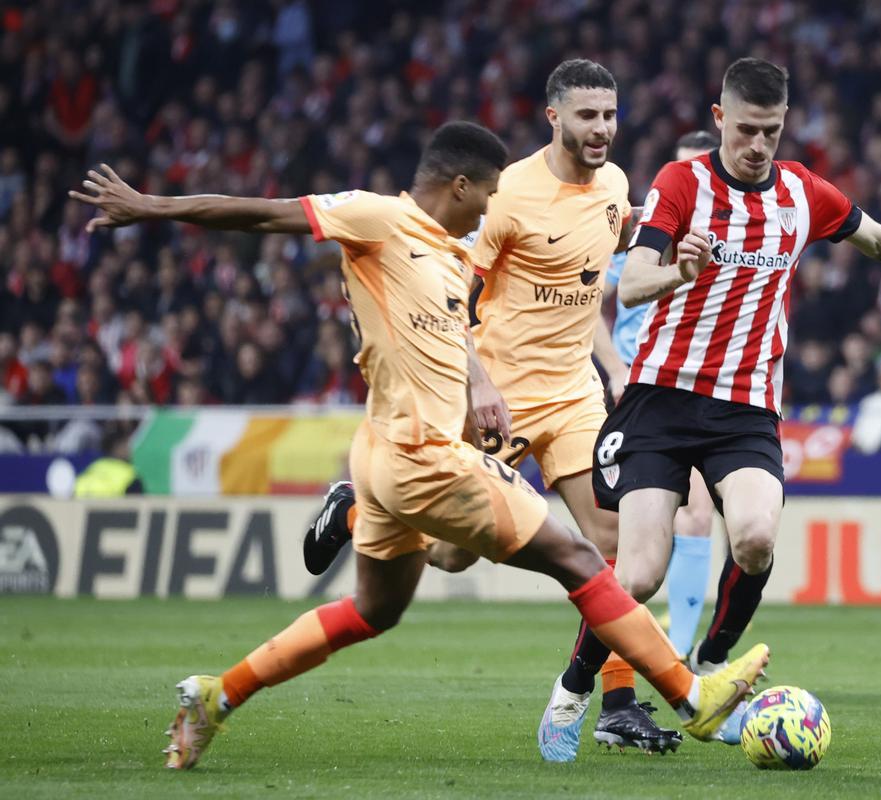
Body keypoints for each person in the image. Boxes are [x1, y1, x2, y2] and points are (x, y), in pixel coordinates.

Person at [68, 122, 769, 770]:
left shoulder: (448, 250)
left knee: (376, 610)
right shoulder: (375, 218)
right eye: (487, 195)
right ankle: (690, 698)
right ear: (460, 185)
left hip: (387, 456)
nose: (491, 209)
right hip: (423, 458)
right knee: (582, 559)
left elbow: (455, 325)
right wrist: (150, 207)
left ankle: (216, 695)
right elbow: (261, 210)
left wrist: (479, 385)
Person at [552, 57, 881, 748]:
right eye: (745, 131)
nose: (757, 145)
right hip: (662, 400)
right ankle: (574, 688)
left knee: (758, 537)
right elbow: (634, 281)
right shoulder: (683, 183)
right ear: (719, 121)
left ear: (784, 124)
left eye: (770, 131)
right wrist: (682, 268)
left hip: (745, 409)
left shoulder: (801, 192)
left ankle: (709, 667)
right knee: (639, 571)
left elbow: (879, 239)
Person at [298, 60, 682, 757]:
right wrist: (475, 383)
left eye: (611, 115)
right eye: (588, 116)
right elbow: (452, 297)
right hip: (500, 394)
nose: (602, 129)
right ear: (554, 117)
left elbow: (613, 239)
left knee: (618, 545)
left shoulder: (619, 186)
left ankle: (617, 703)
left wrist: (667, 249)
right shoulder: (507, 198)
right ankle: (356, 506)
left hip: (574, 397)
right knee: (447, 556)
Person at [604, 130, 721, 660]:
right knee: (621, 540)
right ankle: (618, 650)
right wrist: (613, 368)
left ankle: (676, 651)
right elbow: (586, 308)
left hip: (693, 388)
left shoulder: (732, 237)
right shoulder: (642, 239)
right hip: (635, 389)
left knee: (697, 515)